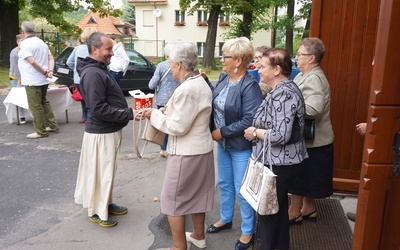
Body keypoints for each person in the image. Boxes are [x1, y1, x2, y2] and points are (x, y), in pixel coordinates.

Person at [141, 40, 215, 250]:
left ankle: (178, 247)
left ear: (180, 64)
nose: (169, 65)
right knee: (198, 195)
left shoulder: (187, 88)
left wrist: (154, 113)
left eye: (171, 62)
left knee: (171, 201)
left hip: (186, 153)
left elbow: (177, 127)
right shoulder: (200, 82)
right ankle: (198, 236)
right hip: (201, 150)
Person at [244, 47, 308, 250]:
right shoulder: (280, 90)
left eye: (262, 66)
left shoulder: (284, 94)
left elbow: (281, 136)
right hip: (278, 161)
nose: (257, 69)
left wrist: (254, 132)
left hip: (280, 163)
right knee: (276, 210)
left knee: (267, 213)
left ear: (277, 69)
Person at [73, 32, 138, 227]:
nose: (112, 53)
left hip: (107, 130)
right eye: (108, 49)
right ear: (94, 49)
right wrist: (129, 113)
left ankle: (106, 203)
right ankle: (97, 211)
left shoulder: (98, 69)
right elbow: (99, 108)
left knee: (106, 172)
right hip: (101, 132)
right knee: (100, 174)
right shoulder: (93, 73)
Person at [207, 37, 262, 250]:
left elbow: (249, 119)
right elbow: (215, 102)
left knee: (243, 189)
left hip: (240, 146)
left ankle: (248, 230)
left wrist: (222, 132)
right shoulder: (223, 78)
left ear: (238, 61)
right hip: (223, 145)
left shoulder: (250, 86)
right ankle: (225, 218)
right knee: (225, 184)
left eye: (225, 56)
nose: (221, 60)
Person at [288, 37, 335, 225]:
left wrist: (288, 107)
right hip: (314, 140)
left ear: (312, 58)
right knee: (306, 178)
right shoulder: (303, 75)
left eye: (300, 54)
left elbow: (314, 110)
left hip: (314, 142)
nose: (296, 57)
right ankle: (308, 209)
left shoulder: (313, 77)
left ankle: (294, 212)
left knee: (300, 178)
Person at [18, 21, 59, 139]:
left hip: (33, 79)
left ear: (22, 31)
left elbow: (32, 61)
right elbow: (51, 58)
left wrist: (45, 72)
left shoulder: (25, 44)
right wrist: (49, 71)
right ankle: (52, 125)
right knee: (44, 102)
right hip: (43, 79)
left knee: (35, 105)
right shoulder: (41, 42)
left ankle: (40, 131)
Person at [148, 42, 180, 158]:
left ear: (167, 55)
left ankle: (163, 148)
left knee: (164, 124)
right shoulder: (180, 64)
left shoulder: (161, 66)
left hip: (163, 100)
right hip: (176, 99)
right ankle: (173, 147)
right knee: (175, 123)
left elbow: (152, 85)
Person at [66, 27, 97, 123]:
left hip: (78, 79)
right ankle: (92, 116)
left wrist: (76, 70)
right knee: (93, 98)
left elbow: (69, 62)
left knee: (84, 98)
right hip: (92, 78)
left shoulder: (78, 49)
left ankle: (85, 116)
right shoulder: (95, 49)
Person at [9, 34, 27, 124]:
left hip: (25, 77)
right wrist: (19, 81)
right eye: (21, 41)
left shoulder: (25, 50)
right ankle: (21, 116)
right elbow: (15, 67)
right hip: (16, 78)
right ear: (17, 41)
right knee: (20, 97)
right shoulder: (14, 52)